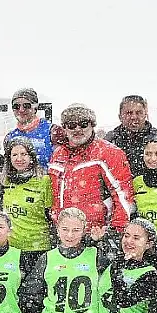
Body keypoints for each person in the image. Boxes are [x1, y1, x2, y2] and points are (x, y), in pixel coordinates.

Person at [48, 104, 135, 250]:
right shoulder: (58, 154)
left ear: (92, 125)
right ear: (64, 128)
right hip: (64, 236)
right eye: (71, 125)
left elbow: (123, 196)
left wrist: (116, 231)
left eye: (83, 124)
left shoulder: (108, 152)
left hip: (96, 235)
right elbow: (53, 195)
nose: (77, 129)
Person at [0, 137, 54, 274]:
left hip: (38, 247)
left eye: (23, 154)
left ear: (31, 156)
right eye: (14, 155)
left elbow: (51, 216)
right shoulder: (3, 181)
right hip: (13, 248)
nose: (19, 159)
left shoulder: (44, 181)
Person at [104, 95, 157, 179]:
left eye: (139, 113)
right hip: (120, 190)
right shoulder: (110, 140)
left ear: (145, 115)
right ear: (120, 117)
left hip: (152, 190)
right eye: (129, 113)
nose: (134, 117)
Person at [5, 87, 53, 167]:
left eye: (26, 106)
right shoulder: (10, 137)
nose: (21, 110)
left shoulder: (51, 131)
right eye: (16, 106)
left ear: (35, 108)